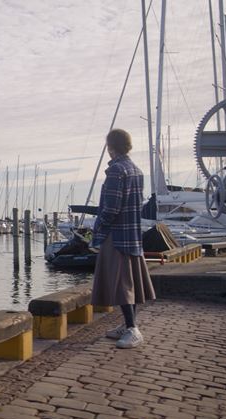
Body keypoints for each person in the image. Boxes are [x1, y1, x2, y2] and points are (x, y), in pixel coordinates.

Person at [90, 128, 155, 349]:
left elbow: (111, 208)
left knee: (121, 283)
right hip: (132, 234)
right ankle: (128, 325)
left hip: (116, 235)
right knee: (129, 282)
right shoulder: (136, 170)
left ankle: (132, 329)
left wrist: (98, 228)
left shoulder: (116, 170)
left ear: (111, 147)